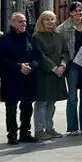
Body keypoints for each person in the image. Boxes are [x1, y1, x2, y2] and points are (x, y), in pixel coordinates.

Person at [0, 13, 40, 144]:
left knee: (27, 106)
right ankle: (12, 134)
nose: (23, 24)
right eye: (20, 21)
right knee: (11, 108)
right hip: (11, 78)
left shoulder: (30, 37)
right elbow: (0, 60)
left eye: (24, 21)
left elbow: (38, 56)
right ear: (13, 22)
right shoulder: (5, 39)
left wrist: (31, 65)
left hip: (28, 77)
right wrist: (18, 66)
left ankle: (25, 132)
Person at [57, 3, 82, 135]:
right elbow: (60, 48)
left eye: (81, 10)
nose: (79, 13)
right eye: (76, 11)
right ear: (71, 13)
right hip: (73, 65)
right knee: (72, 96)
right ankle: (72, 127)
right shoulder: (62, 29)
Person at [32, 11, 67, 139]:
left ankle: (49, 128)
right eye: (46, 19)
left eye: (52, 19)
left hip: (58, 73)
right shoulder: (36, 37)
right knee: (41, 102)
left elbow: (65, 52)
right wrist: (53, 67)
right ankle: (39, 130)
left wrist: (63, 65)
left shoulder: (59, 36)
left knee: (52, 102)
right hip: (44, 73)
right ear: (41, 21)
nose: (50, 22)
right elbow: (40, 55)